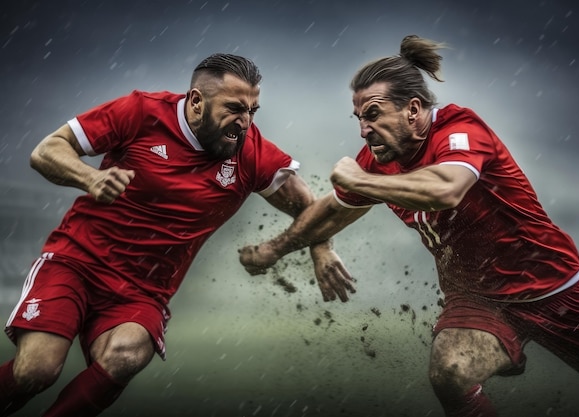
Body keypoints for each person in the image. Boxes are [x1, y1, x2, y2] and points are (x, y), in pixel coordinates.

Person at [239, 35, 579, 416]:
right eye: (359, 118)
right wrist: (276, 248)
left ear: (413, 108)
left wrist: (360, 181)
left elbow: (447, 189)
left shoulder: (461, 130)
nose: (363, 130)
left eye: (373, 114)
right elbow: (332, 211)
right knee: (450, 373)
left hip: (556, 290)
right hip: (479, 299)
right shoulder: (379, 158)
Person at [0, 53, 354, 416]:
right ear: (197, 102)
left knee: (126, 355)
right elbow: (47, 151)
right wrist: (91, 178)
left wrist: (321, 249)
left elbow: (307, 205)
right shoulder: (140, 112)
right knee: (37, 370)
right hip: (76, 263)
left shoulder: (251, 153)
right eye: (234, 108)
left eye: (252, 110)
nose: (244, 122)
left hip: (144, 291)